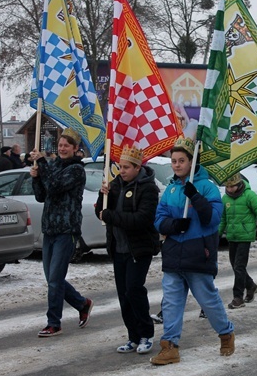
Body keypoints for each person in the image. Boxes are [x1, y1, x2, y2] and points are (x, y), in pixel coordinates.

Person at [151, 137, 234, 365]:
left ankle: (226, 334)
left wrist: (195, 196)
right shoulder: (170, 188)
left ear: (192, 161)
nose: (176, 165)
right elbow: (159, 220)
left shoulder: (206, 186)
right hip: (173, 254)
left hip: (198, 253)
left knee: (208, 300)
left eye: (181, 161)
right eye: (174, 161)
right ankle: (170, 346)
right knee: (171, 303)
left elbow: (213, 219)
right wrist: (174, 225)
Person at [95, 145, 160, 354]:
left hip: (138, 249)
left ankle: (146, 334)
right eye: (120, 167)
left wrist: (110, 216)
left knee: (134, 290)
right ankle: (132, 336)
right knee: (123, 294)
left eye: (125, 167)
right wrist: (101, 195)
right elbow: (102, 211)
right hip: (119, 248)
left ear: (137, 167)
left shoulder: (148, 188)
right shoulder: (116, 185)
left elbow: (141, 219)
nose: (121, 171)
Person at [30, 128, 93, 337]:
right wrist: (36, 178)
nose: (62, 149)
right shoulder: (54, 165)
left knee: (56, 279)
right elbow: (42, 195)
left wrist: (42, 164)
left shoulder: (76, 170)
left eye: (67, 145)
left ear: (75, 149)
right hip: (49, 228)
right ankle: (82, 304)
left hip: (67, 229)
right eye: (60, 145)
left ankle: (53, 322)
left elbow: (56, 186)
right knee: (52, 278)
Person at [218, 172, 257, 309]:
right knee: (235, 265)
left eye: (232, 187)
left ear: (239, 184)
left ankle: (238, 297)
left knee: (239, 266)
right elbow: (223, 218)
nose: (230, 189)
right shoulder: (225, 198)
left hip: (245, 236)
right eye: (228, 187)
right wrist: (217, 235)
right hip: (232, 236)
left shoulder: (249, 195)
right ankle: (251, 286)